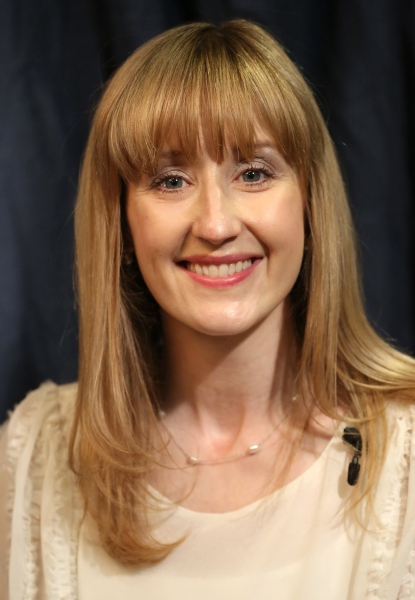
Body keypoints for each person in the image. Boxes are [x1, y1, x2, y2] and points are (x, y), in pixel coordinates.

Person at [1, 19, 415, 600]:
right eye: (170, 181)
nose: (216, 225)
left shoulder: (408, 451)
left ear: (311, 203)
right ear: (119, 221)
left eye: (253, 172)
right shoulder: (35, 457)